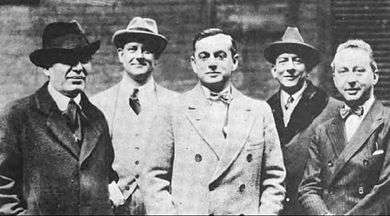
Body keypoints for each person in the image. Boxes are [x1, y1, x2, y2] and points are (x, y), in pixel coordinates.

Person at [142, 28, 286, 215]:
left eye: (220, 56)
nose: (212, 63)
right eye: (204, 56)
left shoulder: (259, 112)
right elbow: (154, 178)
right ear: (194, 64)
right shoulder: (172, 110)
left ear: (234, 61)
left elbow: (274, 178)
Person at [0, 20, 117, 215]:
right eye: (68, 59)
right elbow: (2, 188)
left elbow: (106, 177)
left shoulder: (97, 118)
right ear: (46, 68)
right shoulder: (18, 115)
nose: (79, 68)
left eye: (84, 58)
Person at [91, 17, 178, 215]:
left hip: (162, 206)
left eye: (147, 50)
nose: (139, 56)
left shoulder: (175, 104)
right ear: (121, 55)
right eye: (132, 49)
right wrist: (105, 187)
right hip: (113, 205)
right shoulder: (98, 104)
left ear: (156, 59)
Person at [298, 39, 390, 215]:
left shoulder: (386, 121)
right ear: (334, 78)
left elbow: (386, 189)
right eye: (343, 72)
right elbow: (308, 188)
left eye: (359, 71)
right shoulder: (323, 130)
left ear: (375, 75)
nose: (351, 80)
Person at [264, 26, 341, 214]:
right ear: (274, 70)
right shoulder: (264, 110)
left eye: (297, 61)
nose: (289, 68)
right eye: (283, 61)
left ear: (307, 69)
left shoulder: (332, 108)